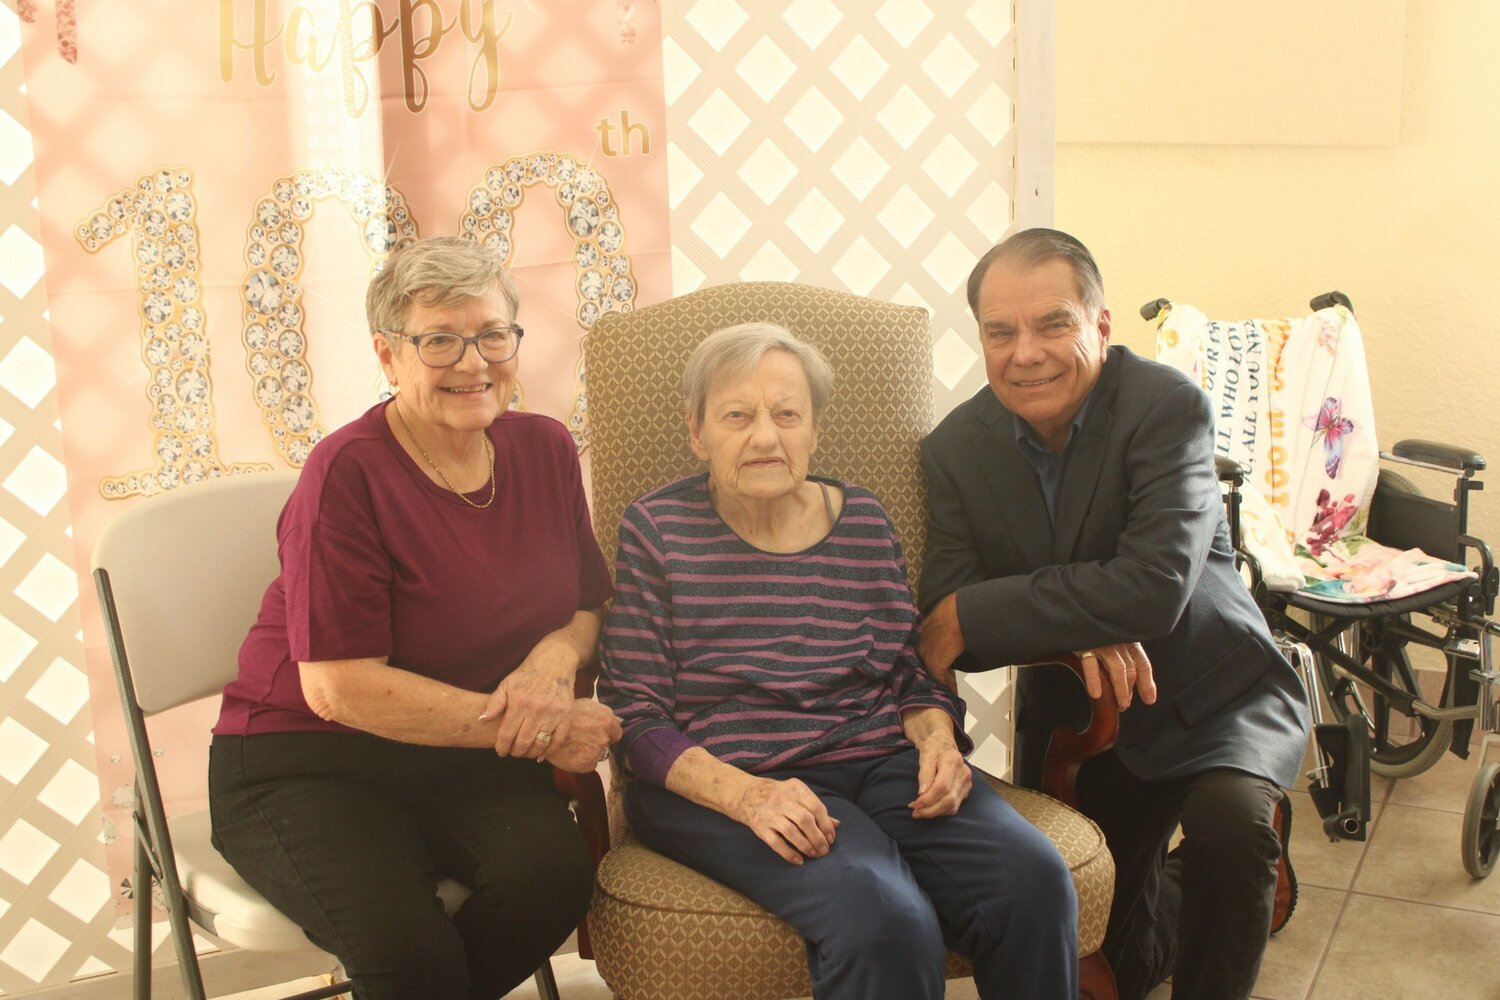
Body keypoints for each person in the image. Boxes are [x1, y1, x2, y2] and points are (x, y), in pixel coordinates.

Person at [597, 322, 1079, 1000]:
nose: (765, 436)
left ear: (815, 430)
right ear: (697, 431)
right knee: (885, 918)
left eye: (787, 414)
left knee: (1034, 882)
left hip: (880, 761)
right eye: (737, 415)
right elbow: (636, 714)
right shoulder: (658, 528)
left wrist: (939, 741)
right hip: (725, 776)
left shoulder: (863, 520)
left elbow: (907, 671)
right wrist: (748, 796)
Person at [209, 236, 619, 1000]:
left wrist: (551, 663)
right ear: (388, 355)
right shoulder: (346, 472)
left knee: (555, 883)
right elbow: (342, 690)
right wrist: (539, 729)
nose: (473, 362)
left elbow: (585, 603)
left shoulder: (545, 447)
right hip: (306, 763)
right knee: (409, 953)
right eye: (439, 340)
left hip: (463, 759)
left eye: (493, 334)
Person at [918, 228, 1312, 1000]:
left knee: (1230, 835)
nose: (1024, 351)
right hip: (1084, 720)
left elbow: (1154, 589)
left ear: (1100, 327)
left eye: (1052, 323)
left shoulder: (1167, 409)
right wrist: (1077, 612)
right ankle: (1198, 883)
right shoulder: (956, 449)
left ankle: (1238, 867)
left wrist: (985, 606)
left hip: (1214, 697)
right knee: (1115, 965)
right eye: (1001, 332)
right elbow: (942, 618)